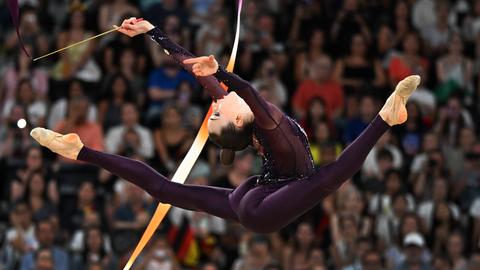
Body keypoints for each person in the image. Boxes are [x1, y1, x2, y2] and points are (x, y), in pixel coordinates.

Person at [30, 18, 421, 234]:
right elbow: (245, 90)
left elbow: (198, 72)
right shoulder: (266, 125)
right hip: (266, 204)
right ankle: (386, 117)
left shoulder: (251, 119)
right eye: (218, 110)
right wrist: (225, 77)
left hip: (254, 197)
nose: (216, 103)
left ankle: (80, 150)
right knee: (325, 179)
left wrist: (152, 32)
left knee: (167, 190)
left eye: (215, 107)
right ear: (239, 119)